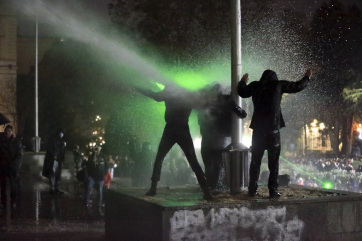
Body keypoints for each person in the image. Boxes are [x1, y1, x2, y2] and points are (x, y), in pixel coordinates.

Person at [238, 69, 312, 198]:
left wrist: (243, 82)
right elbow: (297, 86)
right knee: (274, 163)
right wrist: (306, 77)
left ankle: (252, 190)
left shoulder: (255, 86)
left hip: (258, 132)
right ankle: (272, 190)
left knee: (255, 162)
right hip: (273, 131)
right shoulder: (279, 85)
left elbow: (242, 92)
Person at [136, 84, 213, 200]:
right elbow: (202, 104)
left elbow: (154, 95)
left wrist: (139, 88)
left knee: (159, 158)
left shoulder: (170, 92)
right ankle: (206, 191)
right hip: (183, 129)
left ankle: (153, 188)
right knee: (193, 161)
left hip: (170, 129)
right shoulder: (188, 95)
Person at [198, 83, 247, 191]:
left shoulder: (206, 101)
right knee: (217, 164)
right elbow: (242, 114)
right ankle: (214, 186)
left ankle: (208, 186)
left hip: (207, 137)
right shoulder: (226, 100)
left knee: (208, 164)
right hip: (220, 137)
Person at [0, 125, 23, 209]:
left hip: (12, 167)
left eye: (9, 131)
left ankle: (13, 201)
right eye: (6, 131)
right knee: (3, 185)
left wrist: (15, 165)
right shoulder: (2, 141)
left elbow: (19, 155)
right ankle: (3, 202)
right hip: (3, 166)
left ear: (12, 132)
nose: (7, 132)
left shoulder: (16, 142)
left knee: (13, 186)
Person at [83, 145, 108, 213]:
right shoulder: (92, 156)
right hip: (92, 176)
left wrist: (104, 174)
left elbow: (106, 166)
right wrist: (92, 162)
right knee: (89, 188)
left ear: (100, 148)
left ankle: (98, 205)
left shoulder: (103, 156)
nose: (97, 150)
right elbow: (88, 166)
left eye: (98, 148)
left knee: (100, 191)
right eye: (96, 148)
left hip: (100, 177)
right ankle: (86, 202)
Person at [42, 128, 66, 194]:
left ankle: (56, 187)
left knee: (57, 174)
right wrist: (53, 155)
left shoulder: (61, 141)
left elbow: (62, 151)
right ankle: (52, 188)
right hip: (53, 159)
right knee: (53, 173)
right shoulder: (53, 139)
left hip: (58, 159)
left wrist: (62, 159)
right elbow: (50, 148)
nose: (62, 134)